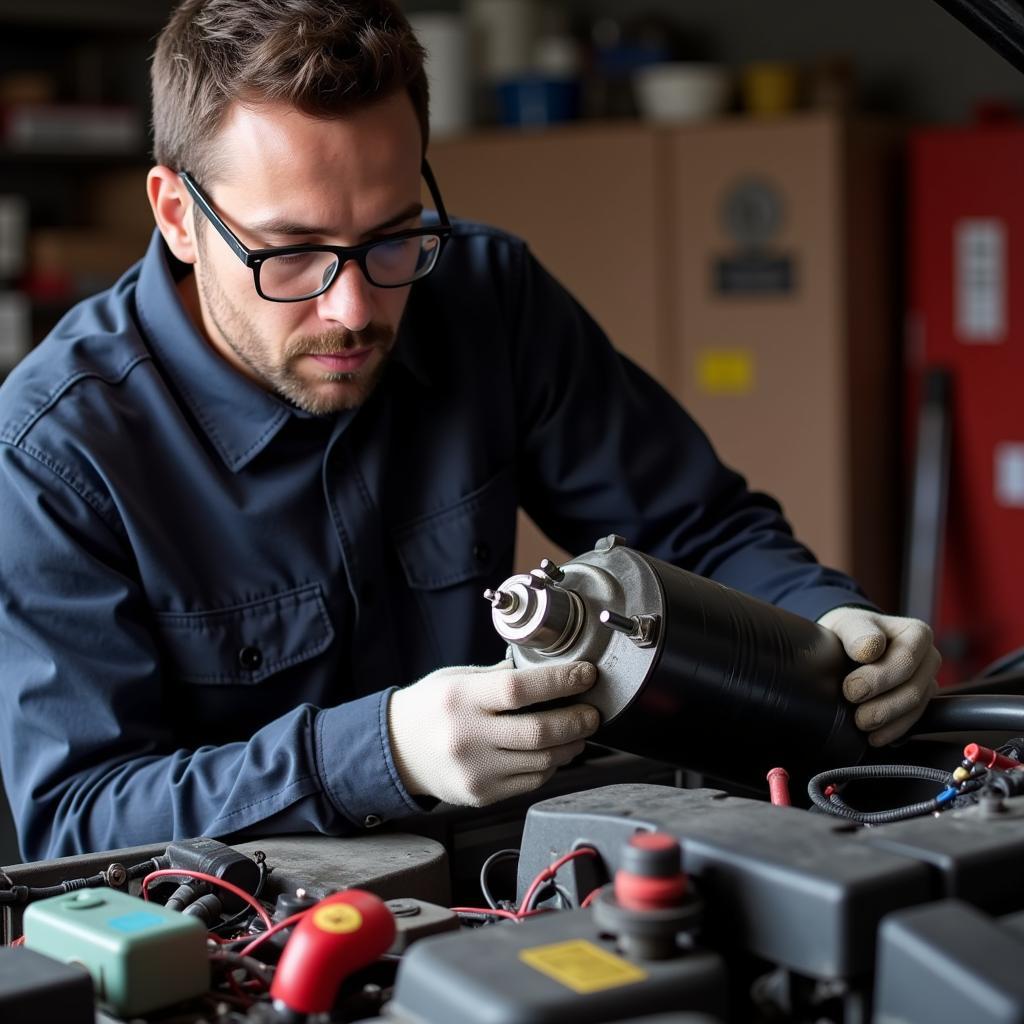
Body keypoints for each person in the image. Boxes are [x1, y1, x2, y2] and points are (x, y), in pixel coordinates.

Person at [0, 0, 938, 862]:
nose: (353, 309)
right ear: (178, 216)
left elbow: (699, 529)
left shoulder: (488, 298)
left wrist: (826, 622)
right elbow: (79, 815)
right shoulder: (56, 454)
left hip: (506, 885)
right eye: (290, 254)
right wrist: (383, 750)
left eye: (393, 236)